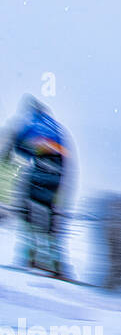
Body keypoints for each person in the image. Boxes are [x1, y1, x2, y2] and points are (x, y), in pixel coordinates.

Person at [1, 97, 73, 277]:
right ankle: (57, 263)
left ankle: (30, 255)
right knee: (51, 215)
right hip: (59, 173)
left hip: (41, 168)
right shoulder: (57, 127)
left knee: (26, 209)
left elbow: (16, 149)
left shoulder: (29, 121)